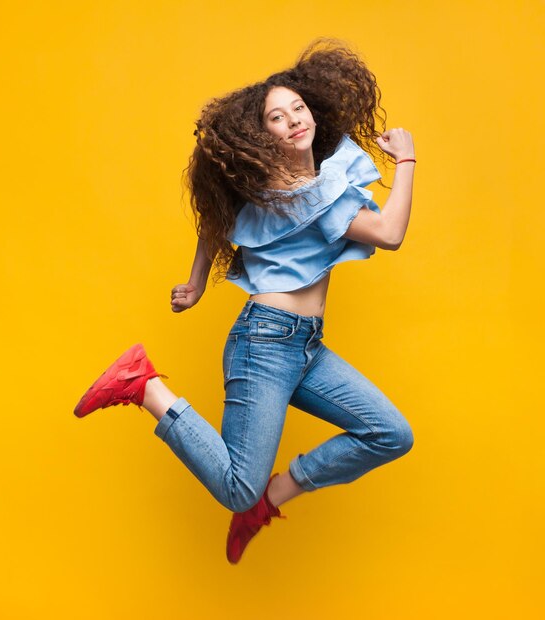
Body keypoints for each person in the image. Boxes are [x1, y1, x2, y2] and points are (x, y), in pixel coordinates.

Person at [73, 38, 416, 564]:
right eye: (277, 118)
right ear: (265, 135)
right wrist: (408, 158)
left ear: (314, 112)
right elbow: (389, 233)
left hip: (303, 347)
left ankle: (271, 500)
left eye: (298, 108)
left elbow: (215, 224)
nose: (294, 120)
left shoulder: (287, 187)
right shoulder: (314, 195)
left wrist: (195, 284)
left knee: (389, 433)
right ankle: (144, 385)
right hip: (265, 343)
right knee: (237, 486)